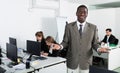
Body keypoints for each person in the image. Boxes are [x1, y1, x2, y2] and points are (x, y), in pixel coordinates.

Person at [52, 5, 109, 73]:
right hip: (72, 62)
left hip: (86, 63)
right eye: (80, 11)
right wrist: (60, 46)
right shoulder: (69, 26)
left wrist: (99, 49)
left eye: (84, 12)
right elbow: (65, 41)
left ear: (87, 14)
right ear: (76, 13)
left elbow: (95, 43)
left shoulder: (93, 27)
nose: (82, 13)